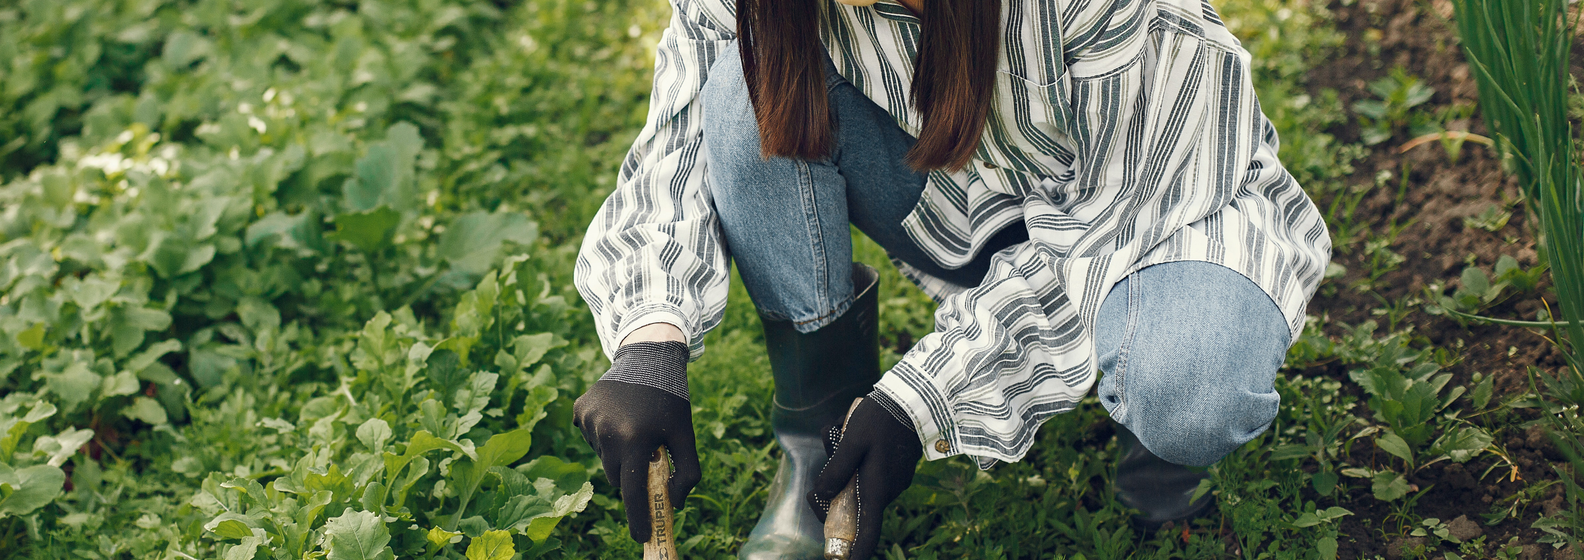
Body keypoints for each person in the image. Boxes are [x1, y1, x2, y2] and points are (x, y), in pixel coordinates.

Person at [569, 0, 1332, 556]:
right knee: (743, 84)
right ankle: (822, 453)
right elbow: (678, 134)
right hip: (964, 195)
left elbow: (1111, 227)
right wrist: (649, 340)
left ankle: (1157, 443)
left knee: (1190, 392)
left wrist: (916, 402)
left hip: (1163, 211)